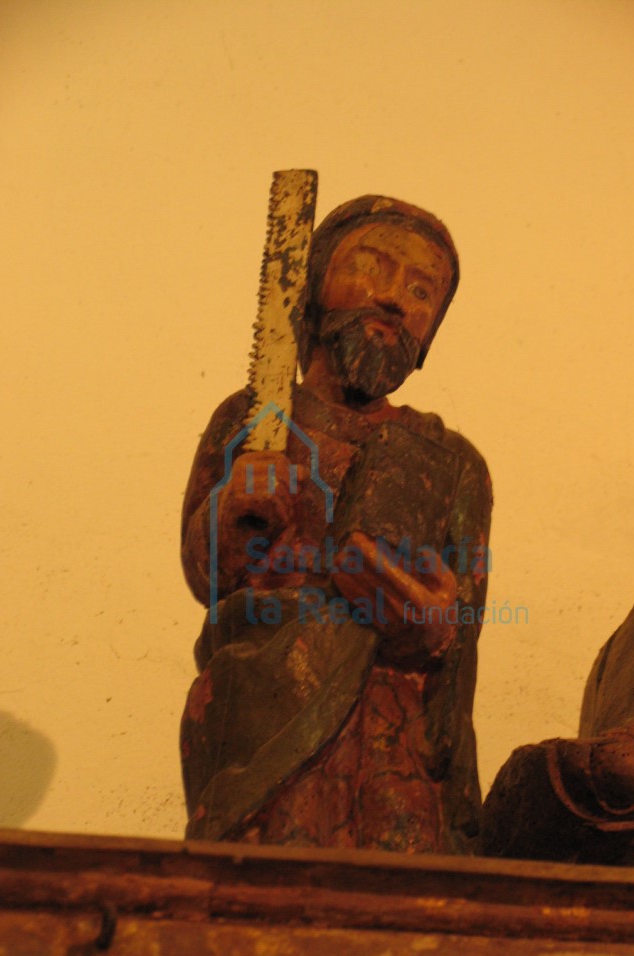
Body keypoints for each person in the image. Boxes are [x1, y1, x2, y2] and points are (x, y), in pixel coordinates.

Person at [180, 196, 492, 854]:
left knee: (402, 878)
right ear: (315, 291)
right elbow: (204, 576)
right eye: (370, 268)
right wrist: (232, 509)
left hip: (397, 727)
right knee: (272, 862)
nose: (394, 299)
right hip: (267, 701)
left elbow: (461, 632)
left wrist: (434, 623)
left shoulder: (452, 461)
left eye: (421, 291)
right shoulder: (253, 417)